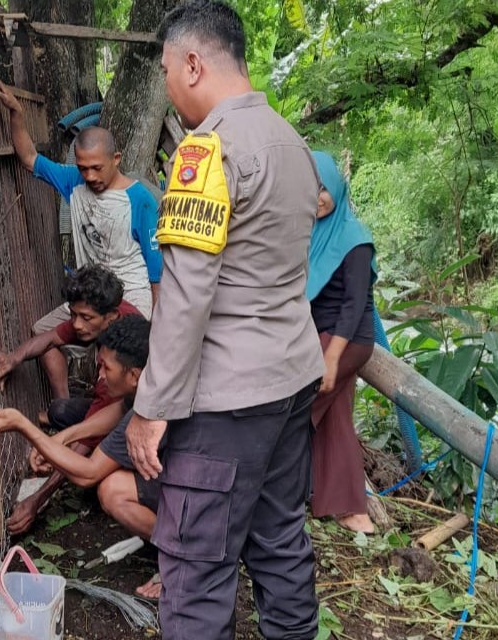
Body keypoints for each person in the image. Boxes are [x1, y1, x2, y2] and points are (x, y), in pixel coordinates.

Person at [125, 2, 324, 638]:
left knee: (196, 567)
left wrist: (151, 407)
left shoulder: (205, 154)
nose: (166, 85)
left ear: (192, 63)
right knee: (279, 541)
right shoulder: (290, 142)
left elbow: (185, 295)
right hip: (291, 381)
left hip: (225, 403)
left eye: (164, 71)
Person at [0, 77, 161, 388]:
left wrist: (158, 323)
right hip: (90, 298)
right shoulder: (73, 182)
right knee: (42, 332)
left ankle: (106, 426)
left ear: (116, 159)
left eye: (97, 167)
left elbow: (156, 268)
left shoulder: (139, 200)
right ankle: (63, 410)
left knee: (117, 363)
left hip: (132, 297)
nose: (90, 175)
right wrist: (16, 113)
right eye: (83, 168)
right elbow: (29, 158)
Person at [0, 315, 163, 598]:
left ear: (135, 375)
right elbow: (114, 413)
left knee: (109, 489)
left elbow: (87, 473)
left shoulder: (149, 411)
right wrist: (61, 438)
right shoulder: (150, 384)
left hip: (206, 503)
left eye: (106, 367)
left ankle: (183, 558)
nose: (100, 375)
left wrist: (24, 426)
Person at [0, 264, 141, 534]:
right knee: (62, 410)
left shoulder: (122, 370)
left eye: (85, 317)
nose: (76, 324)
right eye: (73, 315)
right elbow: (49, 338)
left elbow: (87, 469)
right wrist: (13, 359)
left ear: (112, 317)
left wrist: (37, 500)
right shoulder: (105, 325)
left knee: (102, 484)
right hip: (125, 407)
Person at [307, 151, 377, 535]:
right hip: (319, 336)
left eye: (322, 188)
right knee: (335, 418)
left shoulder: (354, 237)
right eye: (309, 188)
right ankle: (351, 511)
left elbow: (353, 305)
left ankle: (279, 490)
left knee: (292, 406)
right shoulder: (309, 232)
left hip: (346, 340)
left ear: (336, 185)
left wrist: (331, 358)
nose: (316, 197)